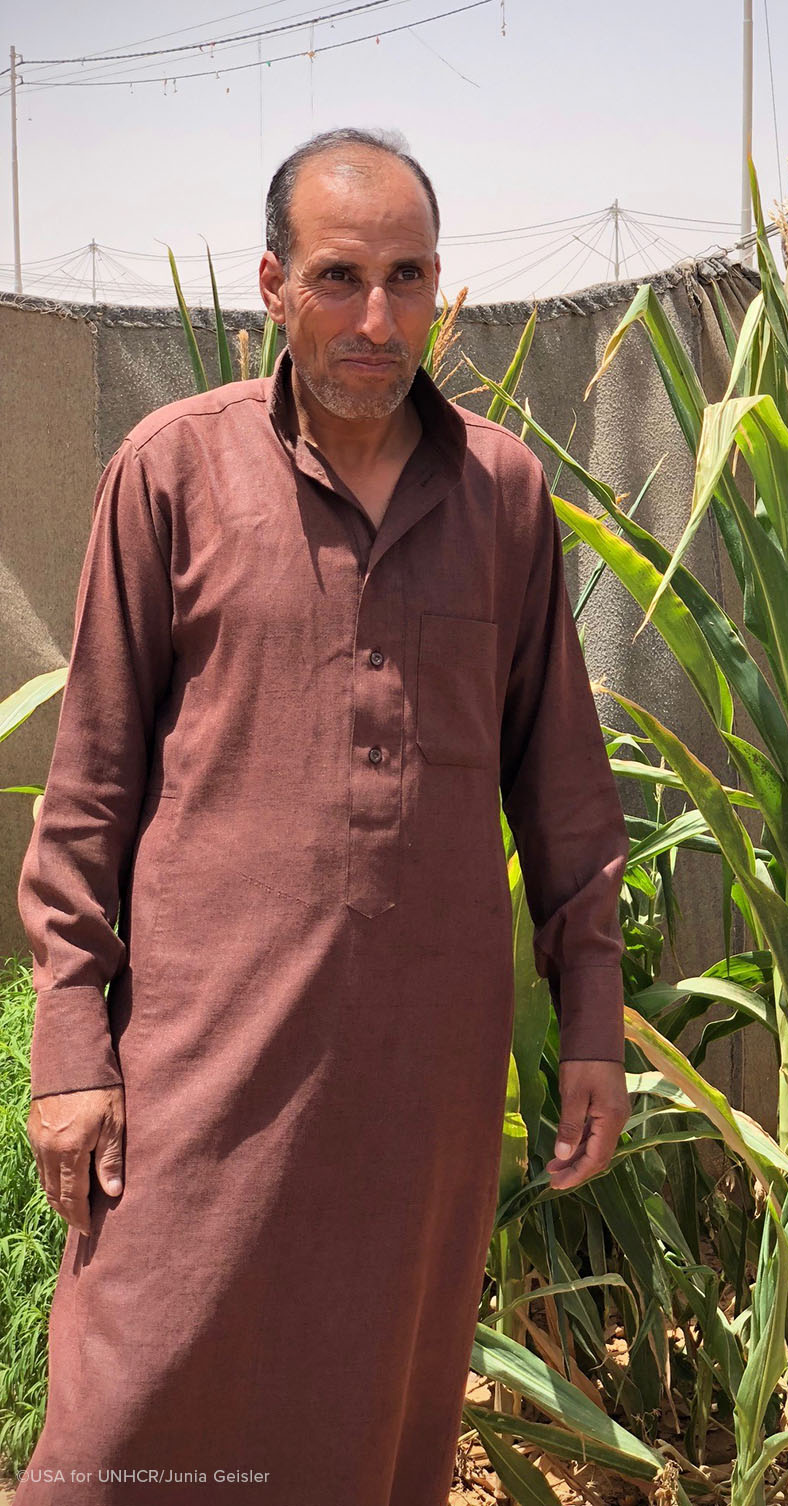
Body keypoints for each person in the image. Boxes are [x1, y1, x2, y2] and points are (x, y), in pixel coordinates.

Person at [16, 126, 632, 1505]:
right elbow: (91, 784)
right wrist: (71, 1042)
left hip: (421, 1081)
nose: (377, 316)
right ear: (272, 286)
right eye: (341, 276)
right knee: (129, 1409)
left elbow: (566, 791)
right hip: (205, 1059)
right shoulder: (172, 473)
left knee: (377, 1416)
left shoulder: (504, 496)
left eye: (408, 277)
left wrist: (591, 1015)